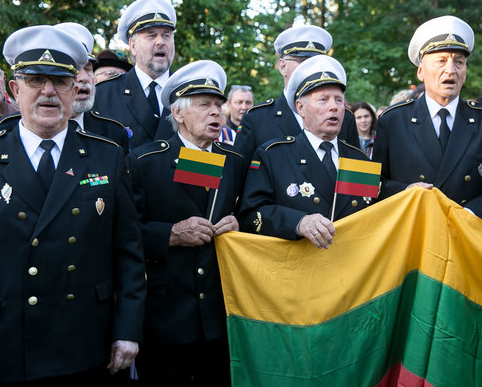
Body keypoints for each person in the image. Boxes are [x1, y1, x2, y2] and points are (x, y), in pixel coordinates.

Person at [0, 25, 145, 386]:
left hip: (84, 343)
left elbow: (129, 253)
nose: (48, 91)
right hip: (3, 344)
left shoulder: (107, 157)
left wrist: (128, 331)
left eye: (60, 81)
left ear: (73, 89)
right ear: (15, 89)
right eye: (36, 79)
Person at [126, 60, 243, 387]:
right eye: (204, 105)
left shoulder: (233, 162)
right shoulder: (145, 162)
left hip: (220, 317)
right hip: (165, 317)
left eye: (219, 105)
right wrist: (170, 234)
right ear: (177, 113)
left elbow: (249, 214)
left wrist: (239, 225)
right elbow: (124, 232)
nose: (216, 113)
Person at [373, 15, 482, 232]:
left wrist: (469, 215)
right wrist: (406, 192)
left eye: (458, 61)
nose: (450, 70)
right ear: (421, 71)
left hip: (470, 237)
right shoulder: (393, 121)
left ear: (465, 72)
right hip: (413, 236)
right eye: (441, 61)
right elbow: (374, 185)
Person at [239, 55, 371, 246]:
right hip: (297, 268)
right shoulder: (273, 155)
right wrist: (298, 222)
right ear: (301, 108)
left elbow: (368, 214)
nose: (333, 107)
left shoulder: (358, 159)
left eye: (338, 100)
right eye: (323, 100)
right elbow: (251, 215)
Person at [0, 23, 130, 154]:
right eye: (37, 79)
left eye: (88, 69)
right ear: (16, 90)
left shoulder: (113, 133)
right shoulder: (3, 130)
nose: (83, 78)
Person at [233, 25, 359, 168]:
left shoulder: (345, 118)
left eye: (317, 62)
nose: (311, 69)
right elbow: (239, 176)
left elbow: (355, 174)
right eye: (303, 62)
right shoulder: (257, 118)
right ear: (282, 66)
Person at [93, 0, 176, 150]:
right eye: (151, 35)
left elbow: (203, 152)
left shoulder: (192, 92)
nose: (160, 42)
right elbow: (96, 157)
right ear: (132, 46)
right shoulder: (103, 94)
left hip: (183, 175)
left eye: (166, 35)